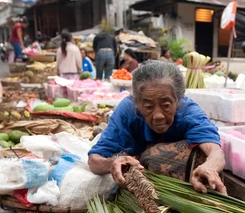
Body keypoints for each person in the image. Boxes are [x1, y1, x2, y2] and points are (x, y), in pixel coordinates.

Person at [88, 61, 226, 194]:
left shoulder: (188, 112)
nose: (158, 115)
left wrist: (209, 168)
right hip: (139, 170)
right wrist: (113, 163)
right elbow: (94, 160)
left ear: (178, 100)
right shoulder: (127, 111)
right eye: (148, 107)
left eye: (166, 105)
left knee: (200, 154)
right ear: (137, 103)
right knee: (146, 157)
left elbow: (216, 152)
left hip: (179, 176)